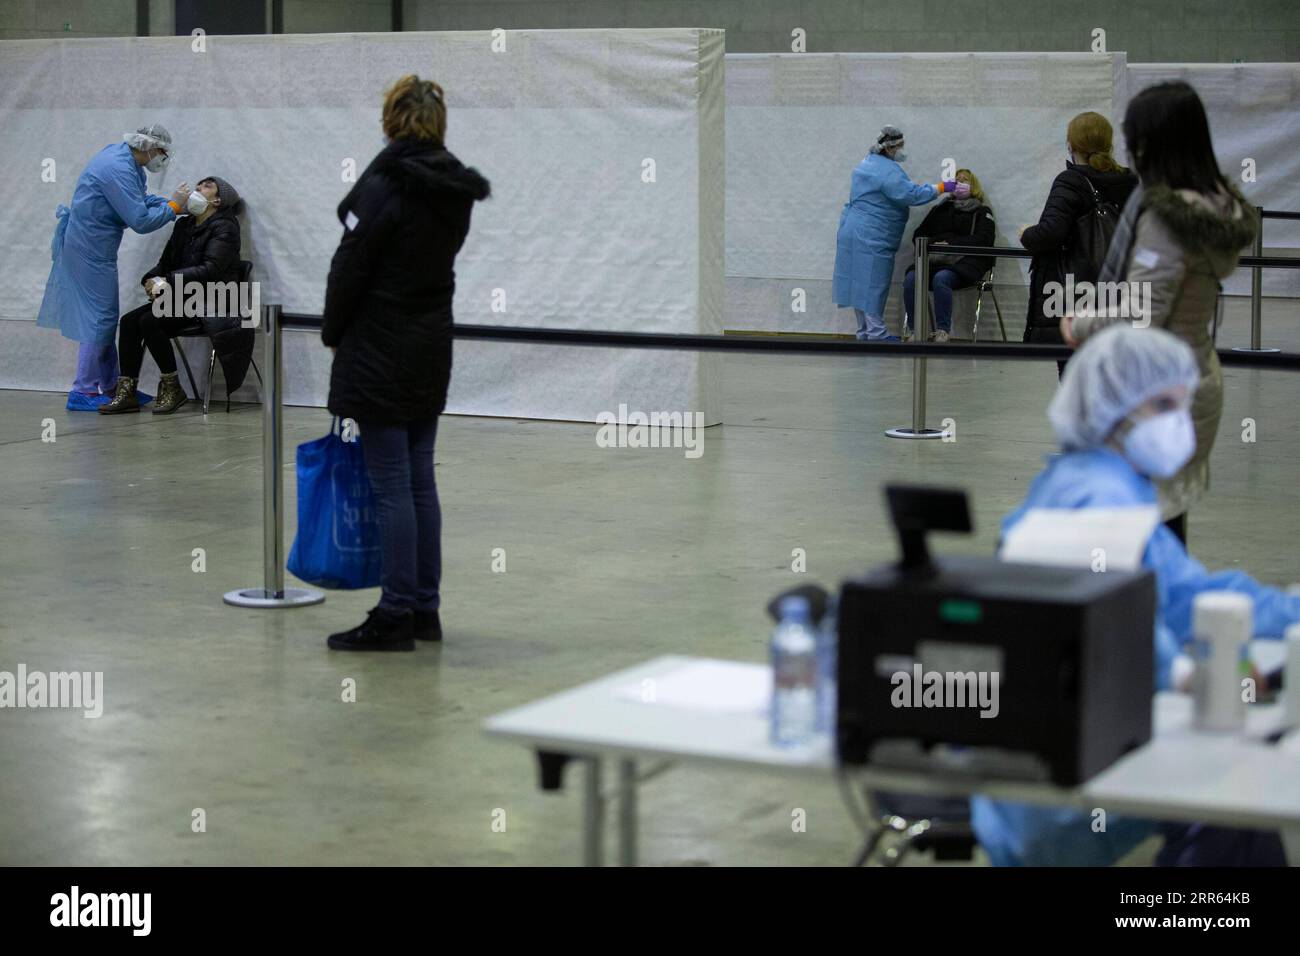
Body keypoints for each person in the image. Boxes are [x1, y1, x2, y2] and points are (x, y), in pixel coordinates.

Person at [971, 326, 1300, 867]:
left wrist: (1285, 611)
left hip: (1074, 744)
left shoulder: (1107, 480)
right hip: (1061, 779)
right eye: (1164, 404)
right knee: (1239, 789)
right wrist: (1188, 676)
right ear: (1113, 407)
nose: (1180, 421)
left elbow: (1183, 594)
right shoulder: (1096, 496)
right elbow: (1097, 621)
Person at [322, 75, 490, 652]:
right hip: (428, 342)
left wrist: (332, 330)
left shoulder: (386, 185)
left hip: (379, 346)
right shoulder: (452, 188)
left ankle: (395, 613)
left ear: (392, 119)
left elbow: (351, 267)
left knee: (392, 485)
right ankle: (424, 609)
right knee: (419, 479)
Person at [1062, 82, 1258, 547]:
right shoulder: (1213, 206)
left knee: (1144, 530)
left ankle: (1148, 616)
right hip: (1193, 376)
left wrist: (1080, 324)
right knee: (1163, 518)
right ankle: (1156, 614)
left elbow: (1141, 313)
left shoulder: (1168, 217)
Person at [36, 124, 190, 410]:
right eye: (163, 152)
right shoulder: (117, 168)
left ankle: (113, 386)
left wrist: (170, 203)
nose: (163, 159)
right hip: (88, 249)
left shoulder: (125, 160)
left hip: (93, 247)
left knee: (104, 316)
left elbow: (140, 198)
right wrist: (173, 209)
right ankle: (82, 390)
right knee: (99, 319)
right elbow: (140, 221)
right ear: (150, 147)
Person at [99, 177, 247, 415]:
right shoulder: (184, 226)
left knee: (150, 321)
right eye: (198, 186)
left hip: (212, 300)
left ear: (218, 200)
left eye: (206, 187)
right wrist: (150, 278)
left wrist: (168, 280)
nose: (198, 189)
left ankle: (172, 388)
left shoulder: (225, 227)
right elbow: (165, 263)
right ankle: (126, 391)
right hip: (182, 298)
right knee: (128, 321)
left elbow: (211, 269)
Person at [1019, 112, 1137, 369]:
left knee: (1076, 375)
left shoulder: (1071, 181)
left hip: (1078, 294)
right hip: (1123, 292)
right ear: (1109, 143)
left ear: (1071, 145)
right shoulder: (1131, 181)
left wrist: (1026, 234)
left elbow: (1050, 233)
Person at [833, 126, 970, 342]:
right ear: (889, 148)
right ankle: (877, 334)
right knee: (872, 283)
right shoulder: (886, 170)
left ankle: (864, 332)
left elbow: (894, 191)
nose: (902, 150)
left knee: (858, 283)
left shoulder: (867, 163)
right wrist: (944, 186)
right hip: (871, 234)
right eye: (899, 146)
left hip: (852, 229)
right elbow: (910, 195)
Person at [901, 167, 995, 342]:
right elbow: (919, 234)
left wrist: (952, 244)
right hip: (935, 261)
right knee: (911, 279)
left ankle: (943, 330)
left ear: (973, 185)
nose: (960, 183)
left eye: (965, 180)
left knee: (941, 279)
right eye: (957, 180)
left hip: (966, 263)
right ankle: (915, 330)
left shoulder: (983, 212)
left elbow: (984, 239)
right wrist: (934, 243)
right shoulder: (941, 209)